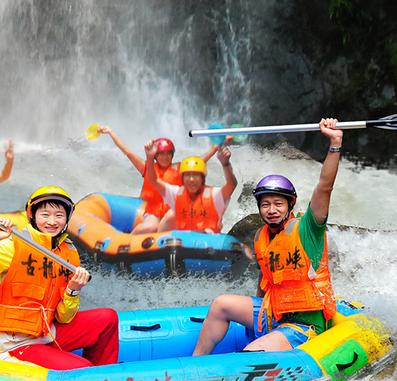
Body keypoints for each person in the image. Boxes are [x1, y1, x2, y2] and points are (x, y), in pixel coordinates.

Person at [192, 118, 343, 355]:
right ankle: (195, 363)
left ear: (290, 205)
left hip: (305, 323)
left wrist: (334, 143)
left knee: (252, 352)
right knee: (221, 304)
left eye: (277, 204)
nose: (271, 210)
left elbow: (325, 186)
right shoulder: (262, 236)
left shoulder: (308, 228)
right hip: (274, 311)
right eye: (265, 205)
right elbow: (265, 281)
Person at [0, 186, 119, 370]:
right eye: (45, 214)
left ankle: (103, 377)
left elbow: (64, 318)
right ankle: (90, 377)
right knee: (82, 367)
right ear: (32, 215)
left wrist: (72, 290)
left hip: (45, 332)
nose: (52, 221)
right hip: (13, 343)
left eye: (59, 215)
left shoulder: (69, 253)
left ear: (67, 218)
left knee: (108, 318)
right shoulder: (13, 245)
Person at [97, 125, 223, 234]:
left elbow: (200, 160)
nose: (165, 157)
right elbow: (127, 151)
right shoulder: (147, 167)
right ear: (156, 155)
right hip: (152, 211)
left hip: (173, 212)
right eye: (161, 154)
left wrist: (216, 145)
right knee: (150, 227)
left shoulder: (179, 169)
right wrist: (110, 132)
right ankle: (127, 241)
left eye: (168, 153)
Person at [144, 139, 237, 234]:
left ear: (203, 177)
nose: (191, 179)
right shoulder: (176, 193)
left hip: (207, 243)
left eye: (196, 175)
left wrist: (225, 164)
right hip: (181, 242)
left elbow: (231, 185)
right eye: (187, 176)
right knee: (170, 216)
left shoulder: (213, 195)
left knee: (208, 231)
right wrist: (150, 157)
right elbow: (153, 181)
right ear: (182, 179)